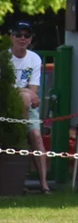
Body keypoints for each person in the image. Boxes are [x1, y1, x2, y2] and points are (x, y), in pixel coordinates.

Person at [9, 21, 49, 193]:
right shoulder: (4, 58)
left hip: (28, 103)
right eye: (19, 35)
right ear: (11, 36)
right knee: (13, 140)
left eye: (27, 35)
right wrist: (24, 93)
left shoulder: (34, 58)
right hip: (8, 105)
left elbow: (34, 90)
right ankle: (16, 181)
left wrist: (25, 94)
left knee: (36, 136)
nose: (22, 39)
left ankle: (44, 184)